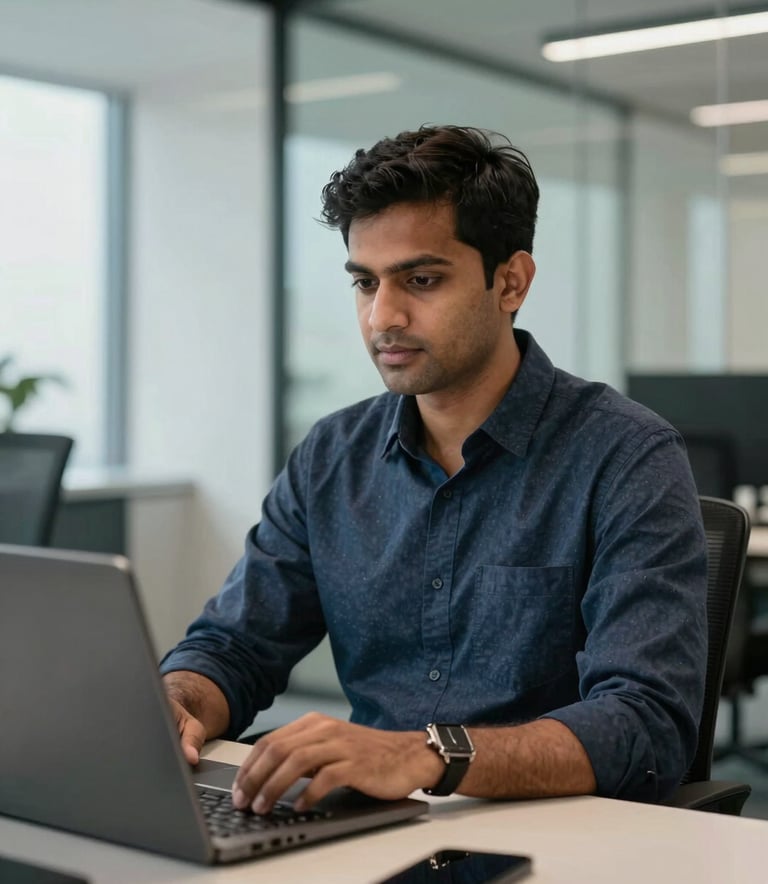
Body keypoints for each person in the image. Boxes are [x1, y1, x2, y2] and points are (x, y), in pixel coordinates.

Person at [160, 124, 707, 816]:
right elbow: (235, 646)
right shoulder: (332, 457)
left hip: (549, 837)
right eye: (365, 283)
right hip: (365, 825)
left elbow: (646, 726)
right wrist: (179, 701)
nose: (382, 316)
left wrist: (425, 753)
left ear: (510, 281)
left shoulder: (625, 456)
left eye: (420, 279)